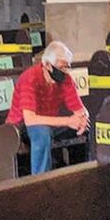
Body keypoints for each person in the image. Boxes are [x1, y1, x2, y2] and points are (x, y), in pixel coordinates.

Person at [6, 41, 89, 175]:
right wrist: (68, 120)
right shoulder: (30, 78)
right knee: (42, 132)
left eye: (67, 67)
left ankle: (79, 175)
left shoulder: (65, 79)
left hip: (49, 121)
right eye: (62, 67)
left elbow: (80, 109)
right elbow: (30, 119)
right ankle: (40, 180)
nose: (65, 72)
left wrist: (83, 118)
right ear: (47, 65)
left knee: (85, 128)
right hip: (20, 127)